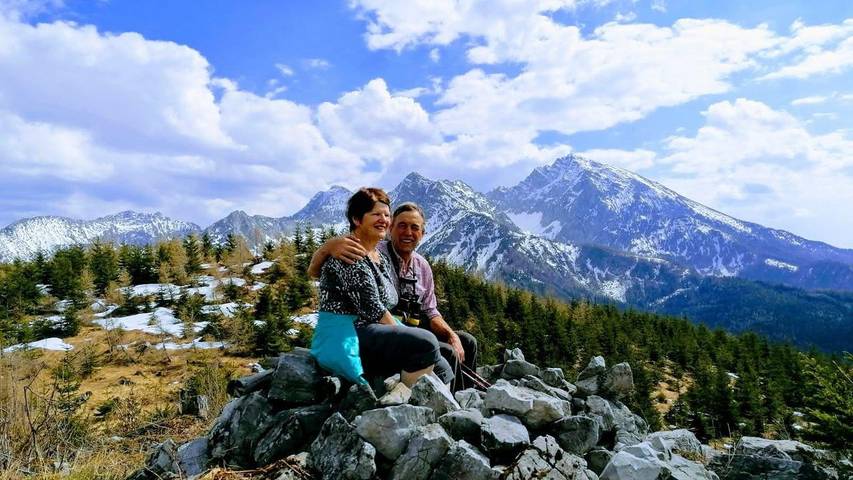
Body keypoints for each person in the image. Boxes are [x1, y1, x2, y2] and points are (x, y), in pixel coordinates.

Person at [309, 201, 478, 390]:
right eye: (402, 226)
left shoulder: (422, 266)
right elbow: (320, 269)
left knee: (466, 342)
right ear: (390, 229)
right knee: (446, 351)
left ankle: (468, 398)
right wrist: (328, 246)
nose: (408, 232)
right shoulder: (374, 252)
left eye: (415, 228)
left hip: (410, 325)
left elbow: (431, 311)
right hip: (383, 327)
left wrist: (451, 335)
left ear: (423, 234)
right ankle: (448, 402)